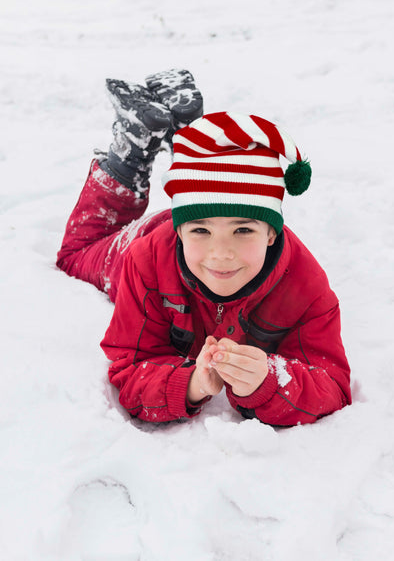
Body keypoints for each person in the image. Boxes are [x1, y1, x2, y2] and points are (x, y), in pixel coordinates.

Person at [57, 70, 351, 427]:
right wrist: (190, 384)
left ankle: (188, 138)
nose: (221, 253)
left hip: (192, 204)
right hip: (150, 234)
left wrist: (269, 381)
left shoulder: (306, 287)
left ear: (272, 233)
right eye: (202, 232)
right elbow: (130, 365)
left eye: (243, 229)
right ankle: (130, 151)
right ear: (181, 231)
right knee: (76, 256)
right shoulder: (145, 260)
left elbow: (332, 383)